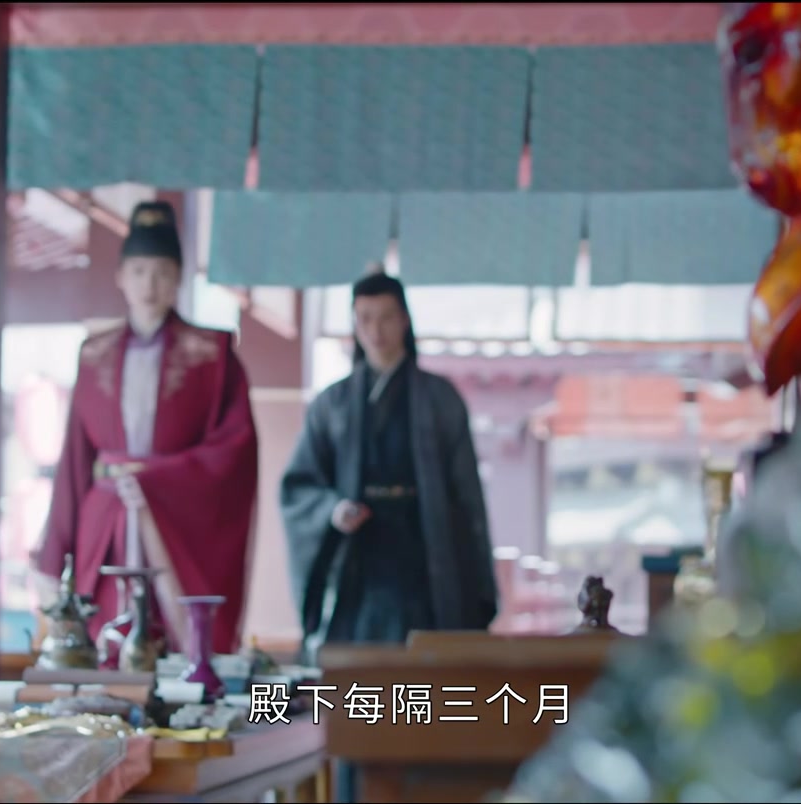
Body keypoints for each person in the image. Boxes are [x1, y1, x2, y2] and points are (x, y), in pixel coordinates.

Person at [31, 200, 259, 658]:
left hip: (179, 521)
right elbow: (75, 460)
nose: (149, 285)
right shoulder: (94, 354)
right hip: (105, 517)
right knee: (102, 637)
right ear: (120, 277)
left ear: (178, 279)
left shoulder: (212, 354)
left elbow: (234, 450)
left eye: (161, 272)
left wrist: (157, 480)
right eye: (138, 272)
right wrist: (56, 549)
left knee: (173, 645)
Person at [281, 268, 499, 665]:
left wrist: (476, 581)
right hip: (359, 553)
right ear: (354, 325)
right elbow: (300, 484)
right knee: (357, 667)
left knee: (427, 667)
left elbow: (466, 494)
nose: (375, 330)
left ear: (405, 320)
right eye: (365, 319)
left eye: (385, 317)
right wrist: (332, 509)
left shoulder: (440, 398)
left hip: (425, 548)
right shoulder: (332, 404)